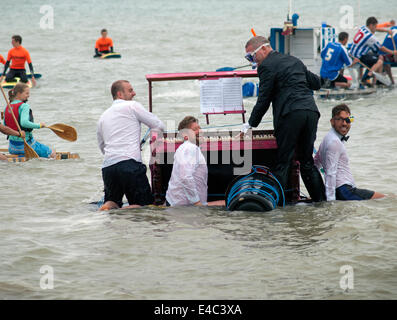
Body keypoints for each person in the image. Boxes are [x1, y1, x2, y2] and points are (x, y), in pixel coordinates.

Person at [241, 36, 326, 203]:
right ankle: (322, 203)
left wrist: (250, 124)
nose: (252, 61)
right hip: (311, 112)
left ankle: (276, 207)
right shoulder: (293, 60)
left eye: (251, 56)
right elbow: (316, 83)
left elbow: (264, 99)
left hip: (290, 114)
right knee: (306, 162)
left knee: (283, 162)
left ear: (263, 49)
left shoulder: (265, 66)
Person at [97, 80, 165, 211]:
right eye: (130, 90)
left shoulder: (103, 116)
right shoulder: (132, 106)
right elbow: (158, 125)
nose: (134, 93)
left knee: (112, 202)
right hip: (129, 164)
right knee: (144, 206)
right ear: (119, 94)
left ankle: (106, 208)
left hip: (108, 167)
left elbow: (102, 145)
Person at [314, 104, 385, 201]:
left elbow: (316, 164)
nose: (344, 123)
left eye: (348, 120)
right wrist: (330, 202)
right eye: (340, 119)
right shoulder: (334, 142)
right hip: (345, 191)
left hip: (342, 190)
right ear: (332, 122)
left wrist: (320, 192)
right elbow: (330, 174)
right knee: (386, 199)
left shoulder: (328, 138)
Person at [165, 116, 225, 207]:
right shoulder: (190, 148)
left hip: (178, 203)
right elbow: (185, 177)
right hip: (183, 207)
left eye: (200, 128)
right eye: (195, 129)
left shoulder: (186, 148)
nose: (200, 131)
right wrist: (197, 202)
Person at [3, 83, 55, 158]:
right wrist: (40, 125)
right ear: (18, 94)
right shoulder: (24, 106)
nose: (28, 95)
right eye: (26, 93)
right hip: (25, 145)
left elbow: (4, 126)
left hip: (12, 147)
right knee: (52, 153)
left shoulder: (8, 106)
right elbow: (24, 123)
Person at [349, 17, 397, 86]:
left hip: (352, 53)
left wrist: (386, 31)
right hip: (358, 57)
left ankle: (374, 79)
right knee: (380, 61)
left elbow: (376, 30)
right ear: (371, 25)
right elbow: (381, 48)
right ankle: (365, 78)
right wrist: (393, 52)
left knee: (379, 56)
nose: (375, 28)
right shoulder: (369, 37)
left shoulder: (363, 28)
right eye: (375, 26)